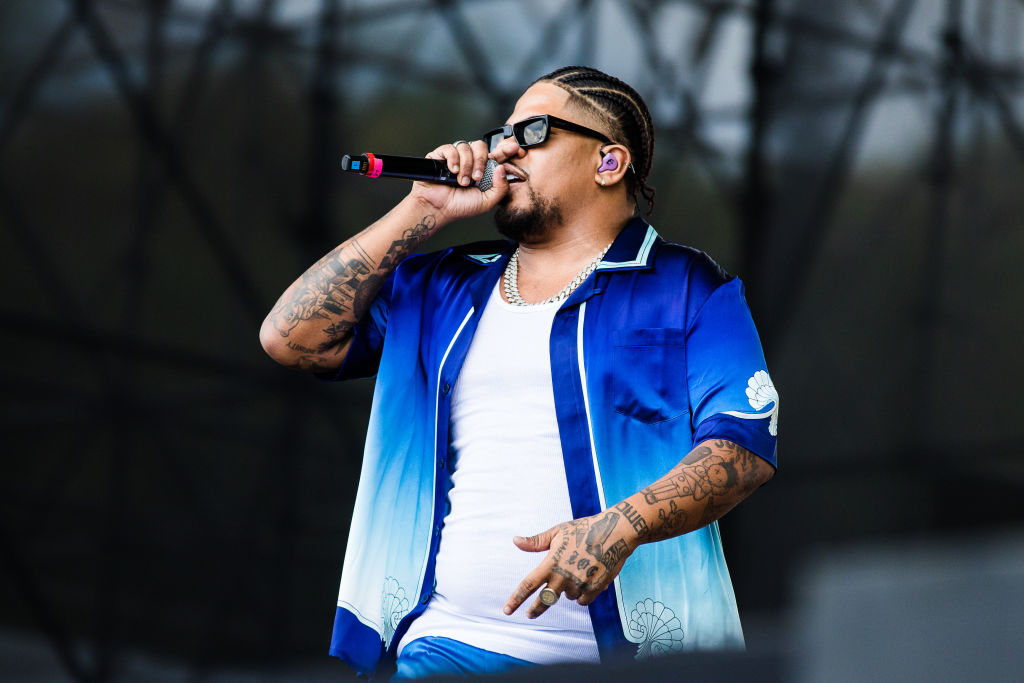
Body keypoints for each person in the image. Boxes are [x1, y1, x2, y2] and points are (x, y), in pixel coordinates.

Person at [259, 66, 779, 679]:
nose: (504, 148)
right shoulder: (443, 284)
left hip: (630, 663)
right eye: (501, 134)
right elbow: (291, 339)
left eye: (533, 132)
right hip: (446, 645)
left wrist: (621, 525)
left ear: (608, 163)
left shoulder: (686, 286)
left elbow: (743, 445)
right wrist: (422, 209)